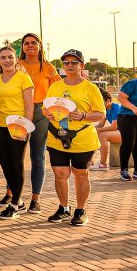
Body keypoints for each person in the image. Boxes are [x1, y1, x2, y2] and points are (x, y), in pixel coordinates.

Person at [43, 49, 105, 226]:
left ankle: (80, 210)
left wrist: (83, 116)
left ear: (81, 66)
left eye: (74, 62)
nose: (69, 66)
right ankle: (63, 208)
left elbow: (100, 114)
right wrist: (48, 114)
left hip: (82, 138)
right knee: (60, 174)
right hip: (57, 136)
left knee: (80, 174)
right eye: (66, 63)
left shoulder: (90, 88)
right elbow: (45, 107)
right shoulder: (56, 86)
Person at [0, 46, 35, 218]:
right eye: (3, 57)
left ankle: (15, 204)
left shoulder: (24, 78)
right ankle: (19, 201)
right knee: (5, 164)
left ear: (15, 60)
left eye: (10, 57)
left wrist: (25, 128)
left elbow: (29, 105)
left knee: (16, 164)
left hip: (18, 127)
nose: (7, 60)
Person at [17, 32, 60, 212]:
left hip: (41, 113)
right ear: (22, 47)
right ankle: (13, 194)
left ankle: (36, 198)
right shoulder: (17, 65)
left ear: (40, 46)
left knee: (38, 157)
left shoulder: (49, 68)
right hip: (19, 112)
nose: (30, 45)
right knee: (16, 156)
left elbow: (57, 89)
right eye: (26, 43)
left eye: (34, 42)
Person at [116, 70, 137, 181]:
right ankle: (124, 170)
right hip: (127, 116)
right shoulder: (132, 84)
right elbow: (121, 98)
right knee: (129, 143)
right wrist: (134, 109)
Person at [91, 87, 121, 171]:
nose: (99, 104)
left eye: (101, 102)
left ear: (108, 100)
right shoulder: (106, 110)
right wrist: (90, 129)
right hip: (118, 132)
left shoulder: (116, 107)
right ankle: (90, 161)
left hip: (126, 132)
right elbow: (100, 125)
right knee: (92, 133)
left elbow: (114, 127)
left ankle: (103, 164)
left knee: (103, 135)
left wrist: (98, 130)